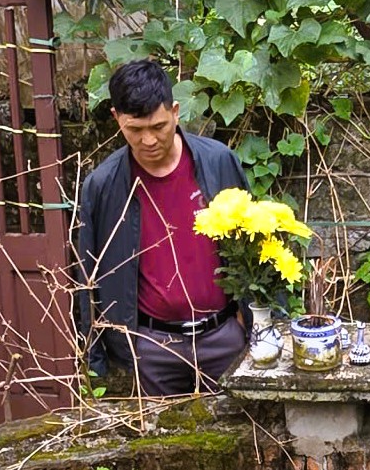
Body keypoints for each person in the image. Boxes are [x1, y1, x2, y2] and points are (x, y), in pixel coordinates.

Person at [73, 60, 250, 396]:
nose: (149, 140)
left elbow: (256, 244)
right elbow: (89, 276)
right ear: (116, 119)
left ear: (176, 112)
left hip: (224, 337)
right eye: (135, 130)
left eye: (158, 126)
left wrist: (251, 322)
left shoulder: (218, 162)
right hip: (153, 348)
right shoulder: (103, 185)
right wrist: (98, 356)